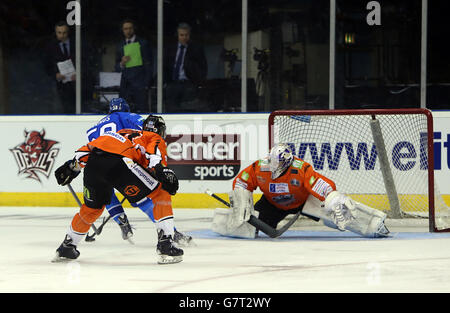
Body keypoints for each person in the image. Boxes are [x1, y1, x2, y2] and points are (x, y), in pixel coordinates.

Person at [53, 115, 184, 264]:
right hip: (120, 163)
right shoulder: (154, 137)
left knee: (92, 208)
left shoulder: (121, 132)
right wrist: (161, 171)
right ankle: (166, 245)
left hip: (94, 164)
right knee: (161, 192)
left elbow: (88, 149)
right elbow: (154, 156)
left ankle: (67, 246)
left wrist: (72, 167)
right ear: (161, 130)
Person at [222, 143, 389, 238]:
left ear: (287, 162)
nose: (273, 167)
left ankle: (373, 224)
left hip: (304, 201)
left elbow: (319, 183)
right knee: (246, 227)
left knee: (338, 212)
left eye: (277, 164)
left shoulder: (300, 168)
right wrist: (241, 198)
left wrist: (332, 196)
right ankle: (223, 224)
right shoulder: (259, 167)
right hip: (272, 204)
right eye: (272, 162)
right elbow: (242, 180)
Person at [86, 98, 192, 245]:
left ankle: (121, 221)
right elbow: (148, 130)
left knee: (106, 191)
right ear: (126, 109)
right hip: (122, 162)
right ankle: (171, 232)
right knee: (144, 197)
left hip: (97, 163)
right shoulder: (128, 116)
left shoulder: (93, 128)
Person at [163, 23, 207, 112]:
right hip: (173, 84)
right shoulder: (170, 48)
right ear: (177, 35)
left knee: (188, 109)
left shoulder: (196, 49)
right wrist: (166, 82)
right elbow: (165, 66)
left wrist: (198, 82)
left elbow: (203, 67)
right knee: (171, 109)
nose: (184, 37)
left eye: (186, 35)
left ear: (189, 35)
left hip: (189, 84)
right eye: (181, 35)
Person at [115, 19, 152, 113]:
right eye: (125, 29)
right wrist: (122, 63)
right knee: (123, 112)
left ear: (134, 29)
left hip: (140, 83)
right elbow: (116, 67)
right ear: (122, 31)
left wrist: (146, 83)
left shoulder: (143, 43)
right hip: (126, 85)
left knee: (142, 111)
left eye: (130, 28)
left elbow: (148, 64)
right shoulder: (120, 45)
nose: (128, 31)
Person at [44, 21, 76, 114]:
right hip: (59, 84)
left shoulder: (76, 44)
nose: (62, 35)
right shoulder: (50, 47)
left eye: (64, 32)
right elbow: (47, 65)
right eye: (59, 33)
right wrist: (55, 75)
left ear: (68, 32)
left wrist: (79, 74)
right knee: (60, 107)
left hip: (76, 84)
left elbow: (84, 61)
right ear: (56, 33)